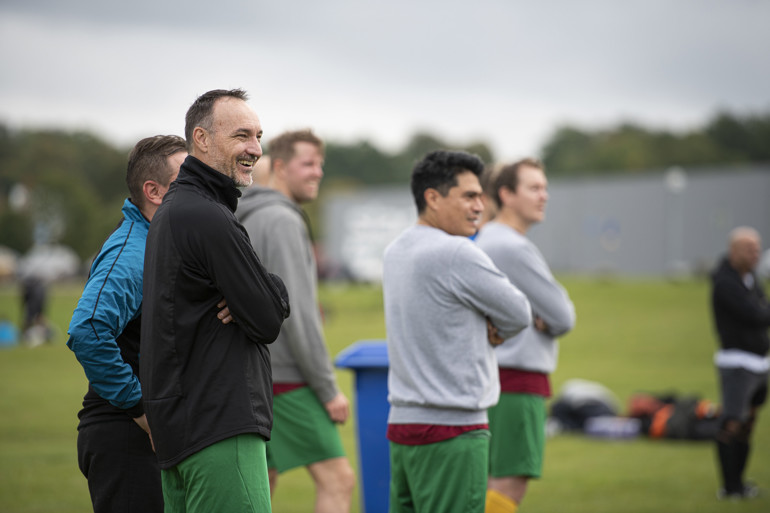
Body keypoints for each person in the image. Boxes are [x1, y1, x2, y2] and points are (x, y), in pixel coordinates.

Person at [140, 89, 290, 513]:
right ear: (201, 140)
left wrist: (257, 292)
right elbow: (265, 321)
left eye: (259, 136)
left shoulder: (172, 211)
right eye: (242, 136)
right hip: (220, 425)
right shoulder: (207, 215)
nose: (255, 149)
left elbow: (254, 304)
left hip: (181, 430)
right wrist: (273, 290)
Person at [383, 149, 532, 513]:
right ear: (432, 197)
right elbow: (519, 313)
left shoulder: (394, 250)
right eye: (468, 195)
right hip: (453, 429)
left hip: (402, 426)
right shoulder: (457, 252)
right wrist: (493, 330)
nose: (480, 205)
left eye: (480, 195)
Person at [66, 135, 187, 513]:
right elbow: (87, 332)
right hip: (125, 434)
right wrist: (140, 409)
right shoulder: (132, 250)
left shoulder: (161, 240)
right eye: (186, 180)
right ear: (153, 191)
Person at [237, 129, 356, 512]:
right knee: (339, 480)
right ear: (282, 167)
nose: (317, 172)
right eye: (308, 163)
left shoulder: (246, 214)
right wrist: (327, 388)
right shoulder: (282, 220)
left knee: (260, 487)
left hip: (253, 374)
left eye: (320, 164)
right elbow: (298, 315)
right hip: (287, 378)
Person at [475, 158, 576, 513]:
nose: (544, 195)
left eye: (544, 187)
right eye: (533, 187)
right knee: (509, 480)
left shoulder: (488, 238)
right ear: (506, 194)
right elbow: (563, 316)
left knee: (488, 480)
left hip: (497, 376)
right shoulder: (511, 246)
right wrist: (543, 317)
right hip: (517, 380)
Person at [710, 226, 770, 500]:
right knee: (731, 424)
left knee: (748, 424)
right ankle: (728, 487)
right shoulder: (724, 281)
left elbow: (761, 310)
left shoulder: (750, 278)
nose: (755, 254)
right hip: (737, 362)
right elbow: (754, 315)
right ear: (734, 251)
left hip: (759, 362)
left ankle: (740, 484)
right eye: (750, 249)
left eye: (757, 249)